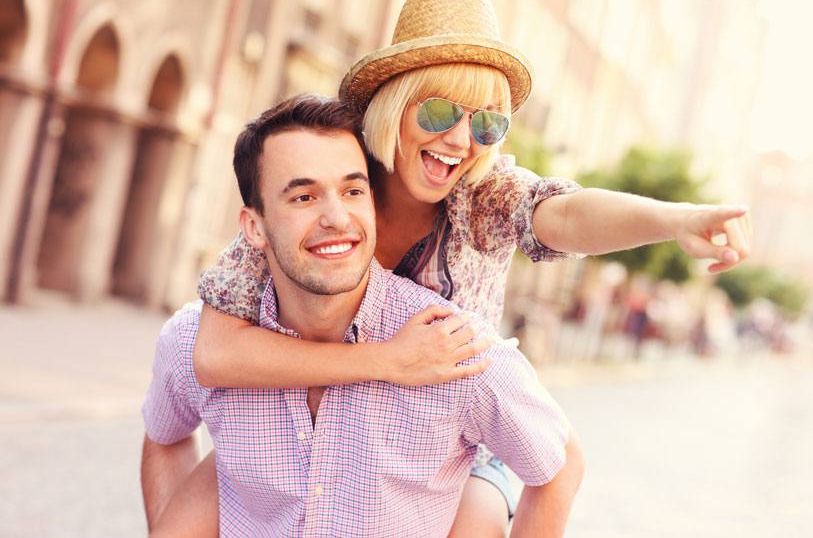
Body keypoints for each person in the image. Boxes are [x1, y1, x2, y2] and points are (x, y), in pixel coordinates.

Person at [185, 0, 752, 536]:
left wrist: (677, 220)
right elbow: (215, 353)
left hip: (449, 447)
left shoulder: (485, 196)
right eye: (438, 113)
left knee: (478, 519)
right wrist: (387, 361)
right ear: (393, 106)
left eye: (487, 123)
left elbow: (571, 214)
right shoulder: (331, 182)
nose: (461, 139)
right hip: (313, 427)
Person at [141, 95, 584, 537]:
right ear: (254, 226)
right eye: (303, 196)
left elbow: (559, 463)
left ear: (372, 202)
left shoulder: (449, 350)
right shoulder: (191, 341)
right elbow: (164, 437)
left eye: (352, 191)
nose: (336, 217)